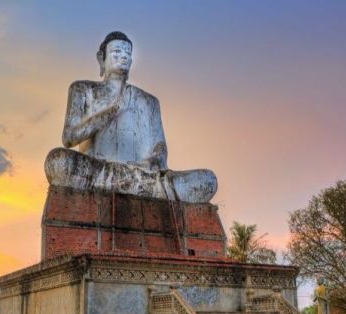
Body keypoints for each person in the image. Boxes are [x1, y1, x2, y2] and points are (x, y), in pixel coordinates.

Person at [45, 31, 217, 203]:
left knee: (207, 180)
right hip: (99, 171)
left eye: (128, 53)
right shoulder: (83, 90)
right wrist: (110, 111)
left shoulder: (149, 101)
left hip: (144, 176)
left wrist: (153, 163)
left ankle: (131, 186)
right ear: (101, 58)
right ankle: (133, 187)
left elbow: (160, 148)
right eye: (117, 52)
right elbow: (68, 138)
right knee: (58, 161)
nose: (124, 57)